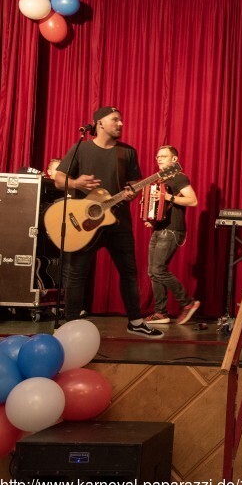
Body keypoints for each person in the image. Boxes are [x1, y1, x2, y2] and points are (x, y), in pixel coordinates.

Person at [53, 106, 163, 338]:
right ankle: (70, 323)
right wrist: (77, 183)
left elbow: (133, 183)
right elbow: (59, 179)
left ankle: (136, 321)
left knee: (129, 273)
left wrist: (132, 192)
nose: (121, 124)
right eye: (115, 120)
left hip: (118, 223)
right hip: (84, 223)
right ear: (99, 123)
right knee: (76, 274)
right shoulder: (81, 148)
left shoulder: (127, 152)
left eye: (121, 120)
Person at [144, 145, 201, 326]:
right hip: (160, 228)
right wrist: (152, 219)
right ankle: (160, 313)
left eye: (164, 156)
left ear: (174, 159)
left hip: (172, 230)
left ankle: (188, 303)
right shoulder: (162, 180)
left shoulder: (179, 177)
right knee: (153, 272)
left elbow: (193, 200)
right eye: (158, 156)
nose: (159, 159)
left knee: (159, 269)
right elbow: (162, 206)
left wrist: (167, 197)